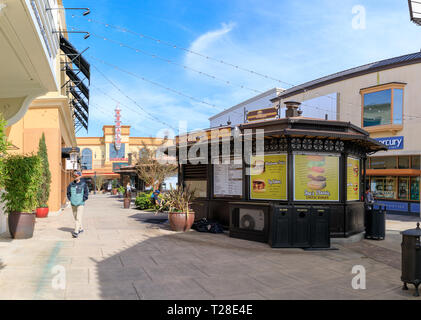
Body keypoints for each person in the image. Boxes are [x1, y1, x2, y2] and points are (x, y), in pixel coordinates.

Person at [67, 170, 89, 238]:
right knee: (76, 217)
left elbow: (86, 193)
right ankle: (81, 228)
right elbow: (68, 193)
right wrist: (70, 199)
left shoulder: (84, 184)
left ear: (80, 176)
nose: (75, 177)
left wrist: (83, 199)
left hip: (80, 204)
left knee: (78, 217)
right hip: (73, 203)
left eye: (76, 176)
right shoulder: (71, 185)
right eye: (74, 176)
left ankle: (76, 232)